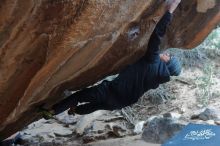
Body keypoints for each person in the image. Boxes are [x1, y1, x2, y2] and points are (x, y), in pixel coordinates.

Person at [42, 0, 182, 118]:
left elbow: (157, 35)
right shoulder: (157, 80)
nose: (166, 54)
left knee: (79, 96)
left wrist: (169, 12)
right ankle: (75, 111)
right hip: (121, 102)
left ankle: (51, 111)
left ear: (167, 64)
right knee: (95, 106)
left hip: (111, 91)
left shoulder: (154, 61)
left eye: (169, 56)